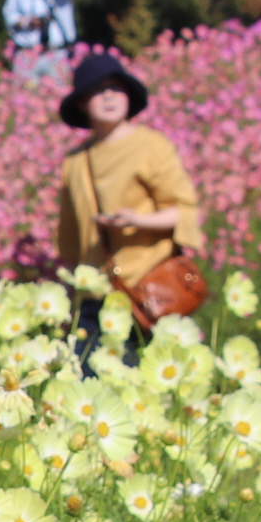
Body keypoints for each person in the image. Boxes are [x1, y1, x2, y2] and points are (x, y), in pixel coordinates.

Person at [53, 53, 205, 366]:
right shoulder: (75, 162)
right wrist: (70, 292)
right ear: (82, 103)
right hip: (95, 293)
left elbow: (184, 211)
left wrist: (137, 220)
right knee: (87, 382)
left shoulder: (151, 146)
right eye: (97, 90)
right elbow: (70, 234)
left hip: (147, 290)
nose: (108, 95)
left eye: (115, 87)